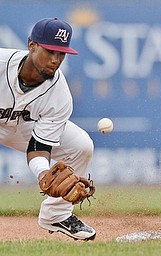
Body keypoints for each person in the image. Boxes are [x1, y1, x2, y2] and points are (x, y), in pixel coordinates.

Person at [0, 18, 96, 240]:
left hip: (22, 126)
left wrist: (44, 173)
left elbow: (39, 146)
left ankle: (56, 214)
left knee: (81, 145)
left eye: (61, 54)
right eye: (50, 51)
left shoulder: (60, 95)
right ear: (32, 45)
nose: (56, 60)